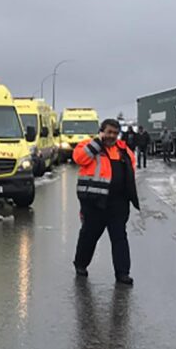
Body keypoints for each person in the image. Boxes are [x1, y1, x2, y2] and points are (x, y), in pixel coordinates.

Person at [73, 119, 140, 285]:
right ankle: (81, 264)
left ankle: (122, 273)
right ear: (101, 131)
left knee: (119, 238)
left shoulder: (124, 151)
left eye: (115, 133)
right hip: (94, 203)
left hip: (117, 204)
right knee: (89, 235)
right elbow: (79, 159)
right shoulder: (88, 146)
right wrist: (97, 144)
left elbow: (132, 168)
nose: (112, 136)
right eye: (108, 132)